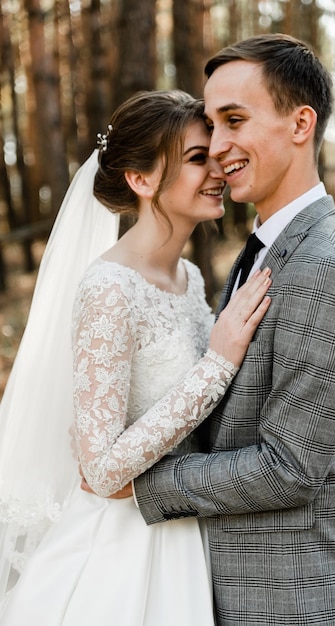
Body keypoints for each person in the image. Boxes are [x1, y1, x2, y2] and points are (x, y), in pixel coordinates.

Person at [131, 34, 335, 625]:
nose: (217, 146)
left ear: (301, 124)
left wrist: (143, 485)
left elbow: (290, 466)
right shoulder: (270, 246)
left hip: (296, 600)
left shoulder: (326, 267)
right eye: (211, 124)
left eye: (234, 120)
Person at [0, 89, 272, 625]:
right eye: (197, 158)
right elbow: (99, 469)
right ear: (141, 180)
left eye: (215, 154)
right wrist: (216, 366)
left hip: (186, 525)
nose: (218, 169)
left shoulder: (189, 278)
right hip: (121, 551)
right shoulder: (109, 289)